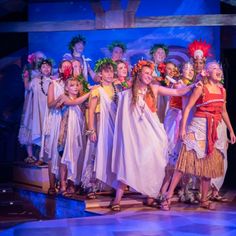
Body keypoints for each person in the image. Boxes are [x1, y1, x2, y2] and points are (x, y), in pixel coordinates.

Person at [111, 60, 197, 211]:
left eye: (151, 74)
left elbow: (177, 92)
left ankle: (151, 194)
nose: (149, 76)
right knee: (128, 162)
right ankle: (117, 199)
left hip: (152, 133)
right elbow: (125, 117)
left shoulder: (154, 88)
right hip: (135, 135)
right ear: (138, 73)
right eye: (146, 73)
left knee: (154, 161)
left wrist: (193, 85)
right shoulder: (128, 92)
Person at [161, 61, 236, 210]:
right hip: (198, 127)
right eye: (213, 68)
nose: (217, 70)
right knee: (183, 164)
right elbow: (188, 108)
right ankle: (167, 197)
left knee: (208, 165)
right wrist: (183, 129)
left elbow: (224, 111)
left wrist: (231, 130)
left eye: (218, 68)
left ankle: (204, 200)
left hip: (213, 128)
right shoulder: (201, 87)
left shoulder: (222, 90)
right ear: (207, 73)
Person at [81, 58, 118, 199]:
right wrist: (91, 129)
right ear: (100, 74)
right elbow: (90, 110)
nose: (109, 74)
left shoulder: (116, 88)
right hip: (99, 121)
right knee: (95, 153)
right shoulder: (97, 90)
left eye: (111, 72)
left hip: (113, 123)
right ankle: (91, 185)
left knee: (110, 152)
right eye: (106, 72)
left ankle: (109, 184)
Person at [58, 78, 90, 196]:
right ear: (67, 88)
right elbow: (73, 103)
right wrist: (89, 92)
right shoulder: (63, 97)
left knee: (76, 156)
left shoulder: (81, 100)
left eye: (77, 85)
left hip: (78, 132)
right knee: (66, 157)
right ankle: (63, 184)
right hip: (67, 132)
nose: (75, 87)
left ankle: (73, 183)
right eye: (72, 85)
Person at [19, 51, 46, 164]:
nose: (41, 60)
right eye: (39, 58)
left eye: (42, 58)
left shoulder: (44, 71)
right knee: (29, 124)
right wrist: (36, 80)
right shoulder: (29, 71)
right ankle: (30, 155)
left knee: (41, 125)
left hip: (41, 102)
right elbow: (27, 86)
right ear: (34, 59)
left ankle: (41, 155)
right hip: (32, 102)